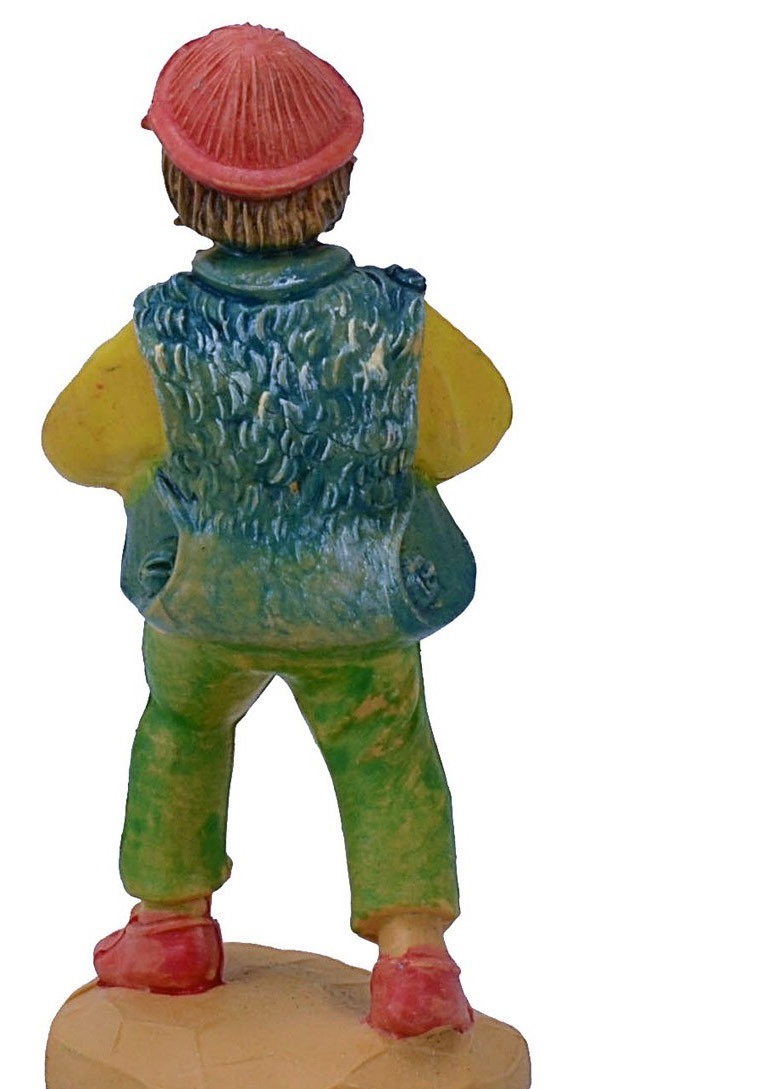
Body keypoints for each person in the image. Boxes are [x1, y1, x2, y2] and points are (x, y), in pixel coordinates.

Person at [42, 24, 511, 1037]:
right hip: (363, 601)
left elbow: (73, 439)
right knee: (386, 745)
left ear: (178, 182)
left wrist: (149, 480)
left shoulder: (160, 328)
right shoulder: (396, 320)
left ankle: (169, 924)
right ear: (340, 177)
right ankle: (414, 957)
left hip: (200, 598)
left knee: (180, 729)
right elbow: (481, 420)